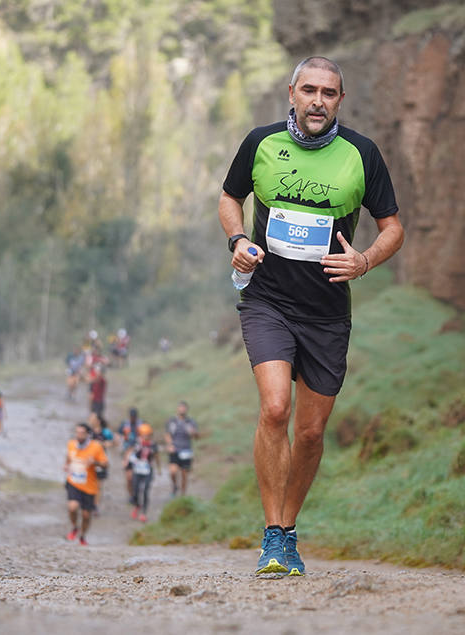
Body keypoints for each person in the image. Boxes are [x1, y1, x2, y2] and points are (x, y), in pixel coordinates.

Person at [218, 56, 404, 576]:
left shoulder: (362, 154)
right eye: (309, 90)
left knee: (310, 433)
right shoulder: (261, 143)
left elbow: (393, 228)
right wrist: (237, 239)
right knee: (275, 409)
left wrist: (365, 259)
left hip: (326, 314)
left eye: (329, 92)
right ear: (292, 94)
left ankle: (290, 528)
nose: (318, 100)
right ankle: (272, 535)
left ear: (340, 100)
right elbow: (230, 197)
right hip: (268, 300)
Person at [64, 422, 108, 545]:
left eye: (82, 433)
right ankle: (74, 527)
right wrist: (66, 465)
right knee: (72, 507)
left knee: (86, 515)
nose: (79, 435)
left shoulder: (96, 446)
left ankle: (82, 536)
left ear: (88, 435)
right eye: (77, 432)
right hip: (73, 481)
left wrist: (94, 462)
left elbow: (105, 464)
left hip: (89, 486)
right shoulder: (71, 444)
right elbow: (69, 457)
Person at [164, 400, 199, 497]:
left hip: (186, 450)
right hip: (174, 449)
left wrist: (193, 433)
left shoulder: (191, 422)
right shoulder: (172, 421)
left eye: (184, 408)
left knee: (184, 474)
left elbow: (196, 436)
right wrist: (170, 444)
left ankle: (183, 495)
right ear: (178, 409)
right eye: (181, 407)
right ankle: (175, 486)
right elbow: (167, 434)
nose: (182, 409)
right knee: (173, 472)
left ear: (187, 409)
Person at [128, 423, 160, 523]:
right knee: (136, 490)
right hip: (137, 470)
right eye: (143, 434)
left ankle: (143, 513)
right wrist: (127, 461)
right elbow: (129, 452)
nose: (145, 436)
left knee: (146, 490)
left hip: (147, 470)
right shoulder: (136, 443)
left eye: (147, 434)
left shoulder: (153, 445)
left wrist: (159, 468)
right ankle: (137, 505)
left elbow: (156, 456)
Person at [118, 407, 145, 503]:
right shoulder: (124, 424)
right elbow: (118, 435)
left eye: (134, 417)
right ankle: (131, 496)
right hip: (127, 453)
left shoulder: (142, 424)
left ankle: (137, 494)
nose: (133, 418)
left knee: (137, 477)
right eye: (131, 417)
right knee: (129, 477)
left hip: (139, 454)